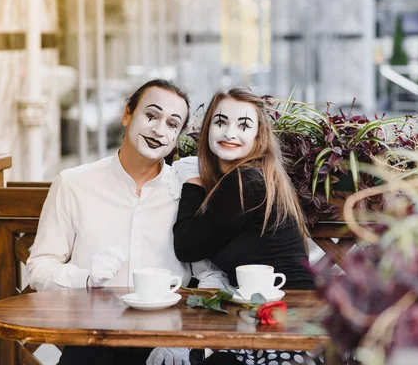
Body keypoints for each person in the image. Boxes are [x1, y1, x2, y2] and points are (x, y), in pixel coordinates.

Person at [26, 79, 228, 365]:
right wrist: (84, 278)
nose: (160, 130)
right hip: (90, 340)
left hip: (168, 345)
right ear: (126, 115)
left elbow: (213, 277)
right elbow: (39, 268)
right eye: (151, 115)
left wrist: (185, 339)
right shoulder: (72, 184)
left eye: (172, 124)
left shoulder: (188, 191)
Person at [171, 87, 321, 365]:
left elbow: (186, 246)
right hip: (270, 321)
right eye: (220, 122)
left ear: (257, 137)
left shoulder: (245, 181)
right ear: (207, 129)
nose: (230, 133)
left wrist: (192, 184)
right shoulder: (254, 177)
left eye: (244, 125)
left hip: (288, 331)